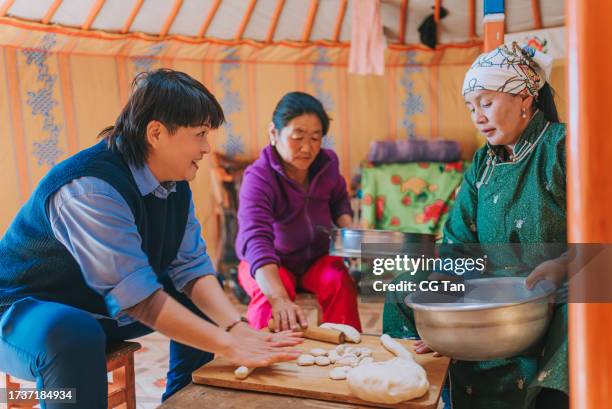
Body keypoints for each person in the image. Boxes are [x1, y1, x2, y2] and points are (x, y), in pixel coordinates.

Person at [0, 69, 301, 409]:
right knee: (72, 334)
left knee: (199, 297)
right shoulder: (89, 188)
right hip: (20, 313)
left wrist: (233, 326)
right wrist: (229, 344)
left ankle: (183, 402)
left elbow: (191, 269)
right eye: (200, 134)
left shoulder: (175, 184)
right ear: (156, 132)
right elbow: (136, 297)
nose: (206, 148)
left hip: (97, 313)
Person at [383, 42, 568, 409]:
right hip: (492, 288)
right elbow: (459, 241)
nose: (477, 117)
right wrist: (438, 312)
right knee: (405, 284)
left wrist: (565, 267)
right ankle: (412, 380)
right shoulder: (484, 163)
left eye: (486, 103)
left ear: (524, 99)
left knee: (586, 307)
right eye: (471, 108)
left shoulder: (562, 147)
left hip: (557, 287)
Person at [235, 92, 362, 333]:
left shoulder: (328, 164)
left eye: (316, 138)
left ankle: (347, 353)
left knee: (339, 280)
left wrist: (348, 228)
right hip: (270, 261)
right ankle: (262, 358)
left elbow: (338, 199)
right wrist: (279, 298)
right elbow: (256, 241)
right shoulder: (258, 177)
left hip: (315, 259)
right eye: (297, 137)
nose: (307, 147)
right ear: (274, 133)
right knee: (269, 296)